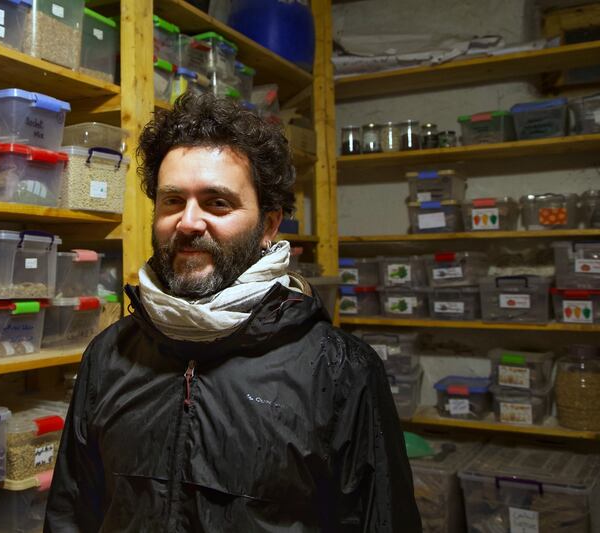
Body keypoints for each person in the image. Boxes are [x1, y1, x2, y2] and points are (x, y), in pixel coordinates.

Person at [44, 94, 421, 532]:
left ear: (270, 225)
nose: (188, 222)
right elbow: (71, 514)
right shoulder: (110, 355)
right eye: (171, 201)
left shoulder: (339, 372)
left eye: (217, 202)